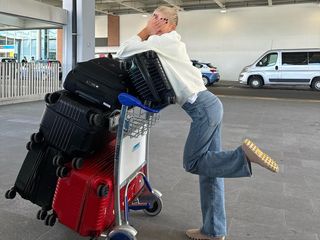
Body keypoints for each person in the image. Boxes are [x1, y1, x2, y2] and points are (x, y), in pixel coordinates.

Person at [117, 6, 279, 240]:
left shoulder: (165, 41)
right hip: (209, 106)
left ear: (171, 25)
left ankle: (241, 157)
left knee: (193, 162)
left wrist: (145, 30)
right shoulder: (166, 43)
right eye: (152, 16)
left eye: (160, 19)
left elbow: (123, 51)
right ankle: (214, 230)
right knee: (210, 172)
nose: (155, 21)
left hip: (203, 108)